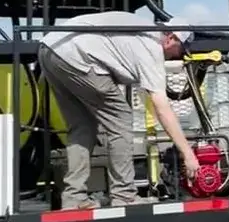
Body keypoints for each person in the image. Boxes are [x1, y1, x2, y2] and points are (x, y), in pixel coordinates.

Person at [38, 11, 200, 210]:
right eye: (180, 50)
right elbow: (162, 107)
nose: (178, 55)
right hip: (76, 55)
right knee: (121, 118)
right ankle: (124, 195)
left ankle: (74, 198)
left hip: (49, 49)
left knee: (82, 126)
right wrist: (188, 154)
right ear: (171, 38)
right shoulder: (151, 47)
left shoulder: (139, 30)